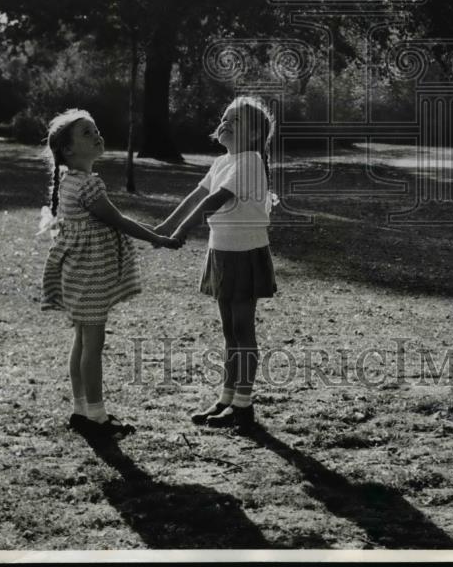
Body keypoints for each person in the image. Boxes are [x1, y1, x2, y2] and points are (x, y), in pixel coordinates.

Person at [40, 108, 180, 435]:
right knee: (93, 343)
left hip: (79, 272)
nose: (97, 135)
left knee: (82, 340)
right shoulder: (87, 186)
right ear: (69, 150)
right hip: (89, 274)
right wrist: (157, 238)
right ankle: (97, 417)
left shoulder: (69, 181)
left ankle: (80, 409)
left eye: (96, 128)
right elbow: (118, 220)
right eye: (86, 133)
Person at [155, 96, 276, 432]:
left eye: (234, 120)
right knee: (228, 332)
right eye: (224, 117)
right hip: (221, 252)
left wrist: (181, 232)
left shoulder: (250, 160)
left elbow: (214, 200)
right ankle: (226, 398)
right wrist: (165, 226)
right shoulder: (223, 160)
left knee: (242, 330)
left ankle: (243, 406)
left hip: (244, 255)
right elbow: (197, 195)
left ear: (253, 135)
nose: (225, 123)